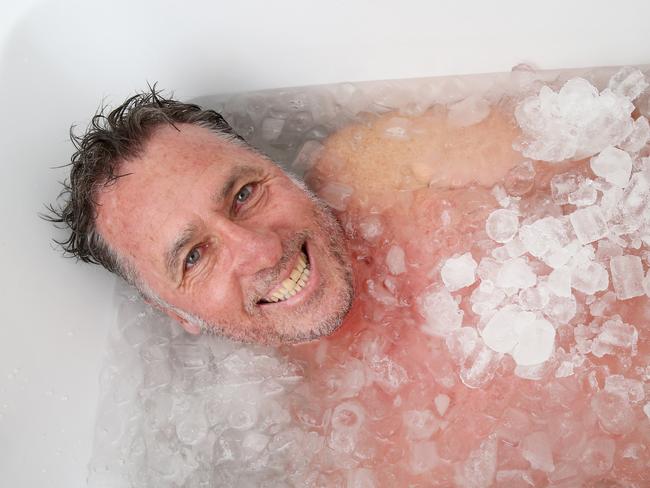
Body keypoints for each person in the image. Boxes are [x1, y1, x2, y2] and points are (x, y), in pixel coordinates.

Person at [45, 88, 531, 346]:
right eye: (194, 257)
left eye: (244, 194)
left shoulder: (387, 173)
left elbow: (584, 134)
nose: (261, 250)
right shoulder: (288, 441)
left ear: (278, 169)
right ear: (175, 313)